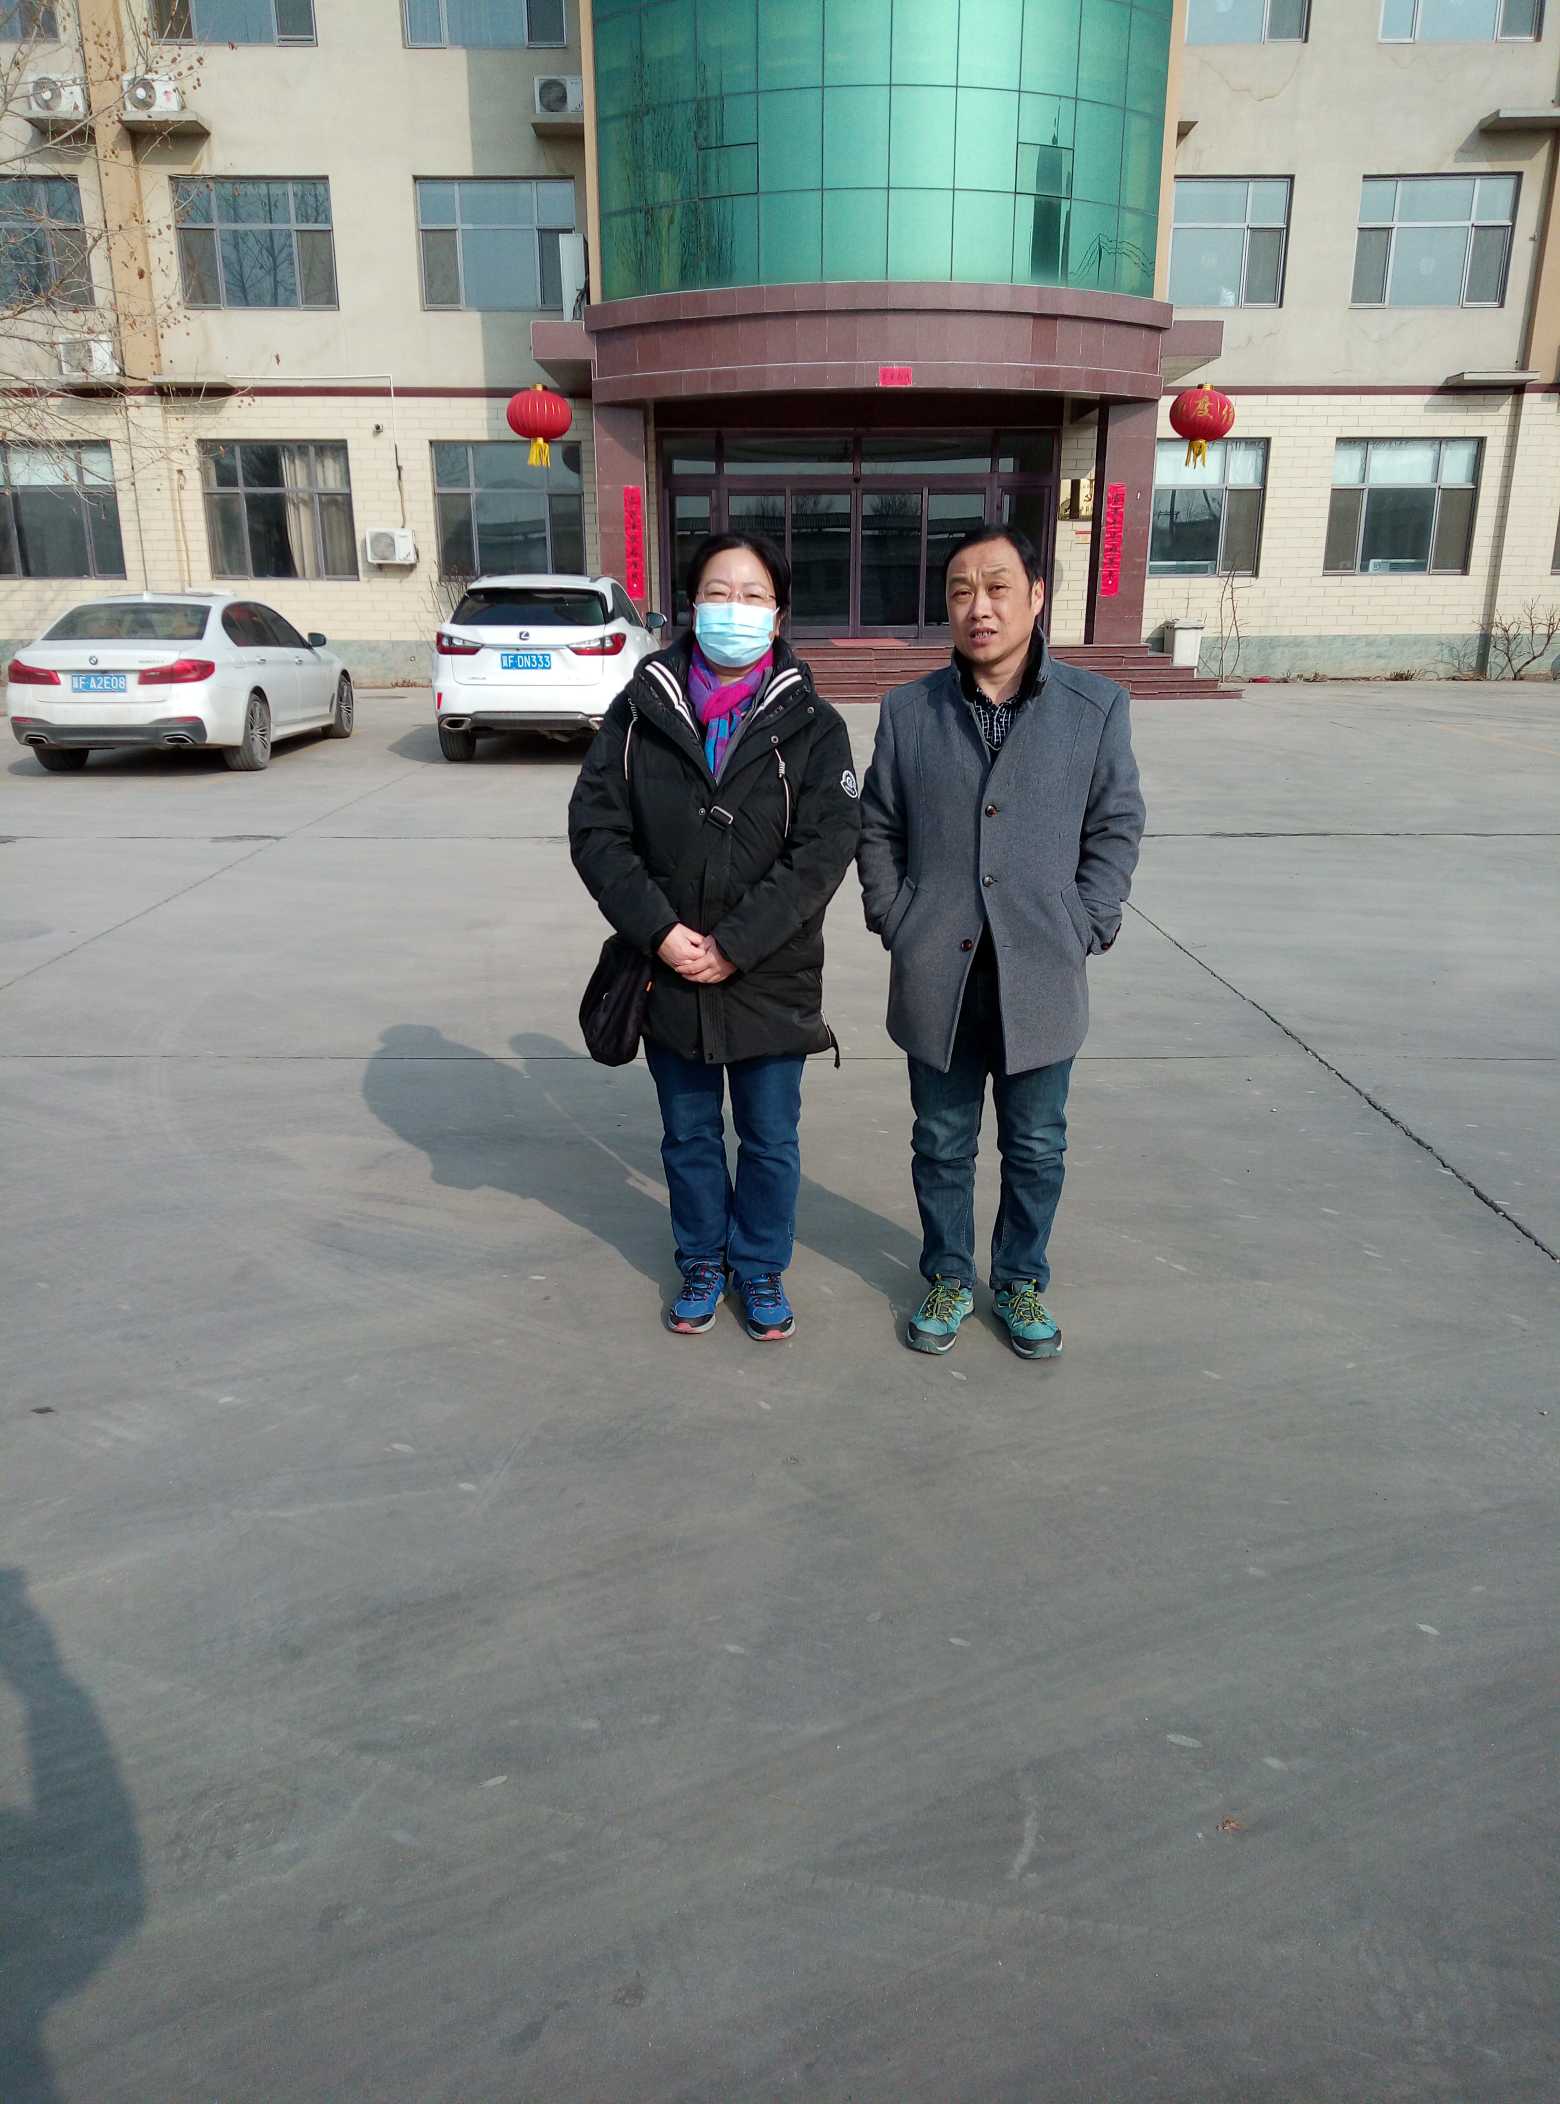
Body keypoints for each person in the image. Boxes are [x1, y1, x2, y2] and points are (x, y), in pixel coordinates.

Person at [857, 525, 1145, 1360]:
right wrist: (895, 916)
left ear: (1036, 595)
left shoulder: (1094, 708)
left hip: (1041, 970)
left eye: (996, 587)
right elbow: (877, 826)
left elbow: (1116, 823)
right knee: (941, 1142)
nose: (977, 607)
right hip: (937, 971)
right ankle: (949, 1274)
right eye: (960, 591)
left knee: (1037, 1144)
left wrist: (1088, 920)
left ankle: (1019, 1280)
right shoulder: (910, 711)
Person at [569, 532, 860, 1341]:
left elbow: (826, 848)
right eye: (719, 593)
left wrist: (736, 942)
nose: (736, 609)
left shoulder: (816, 724)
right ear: (691, 606)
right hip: (667, 967)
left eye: (754, 595)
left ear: (779, 614)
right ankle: (701, 1258)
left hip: (771, 969)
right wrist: (661, 933)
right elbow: (597, 830)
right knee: (690, 1134)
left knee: (769, 1138)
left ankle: (760, 1266)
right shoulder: (638, 712)